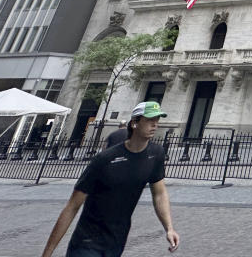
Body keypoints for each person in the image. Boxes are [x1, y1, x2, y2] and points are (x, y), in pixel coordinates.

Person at [42, 102, 180, 256]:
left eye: (157, 120)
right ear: (134, 123)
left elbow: (159, 193)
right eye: (149, 120)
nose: (155, 124)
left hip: (116, 241)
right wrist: (47, 252)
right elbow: (73, 205)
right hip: (87, 242)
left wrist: (169, 228)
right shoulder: (105, 159)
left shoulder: (156, 154)